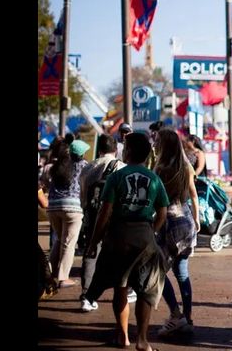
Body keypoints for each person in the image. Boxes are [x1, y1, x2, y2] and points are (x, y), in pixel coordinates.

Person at [84, 132, 169, 351]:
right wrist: (151, 231)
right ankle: (142, 339)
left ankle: (122, 336)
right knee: (146, 289)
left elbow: (104, 212)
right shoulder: (154, 178)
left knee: (120, 287)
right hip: (144, 237)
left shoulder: (116, 176)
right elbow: (162, 213)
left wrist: (94, 242)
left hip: (118, 236)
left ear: (128, 152)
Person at [153, 129, 201, 338]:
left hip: (169, 223)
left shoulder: (160, 169)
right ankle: (188, 318)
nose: (154, 144)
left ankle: (175, 314)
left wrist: (153, 225)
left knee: (158, 272)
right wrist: (197, 219)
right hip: (187, 221)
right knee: (182, 272)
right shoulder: (186, 166)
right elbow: (193, 194)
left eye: (157, 141)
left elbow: (158, 203)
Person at [78, 134, 126, 312]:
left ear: (99, 149)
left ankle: (86, 296)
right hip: (115, 220)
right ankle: (122, 293)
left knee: (91, 253)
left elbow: (83, 196)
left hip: (93, 217)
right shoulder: (121, 167)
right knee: (119, 256)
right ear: (115, 149)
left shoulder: (88, 168)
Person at [40, 139, 90, 288]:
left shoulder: (57, 166)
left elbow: (47, 184)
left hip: (53, 207)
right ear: (82, 153)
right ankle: (63, 277)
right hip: (73, 208)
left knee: (59, 241)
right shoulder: (85, 166)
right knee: (69, 244)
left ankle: (46, 272)